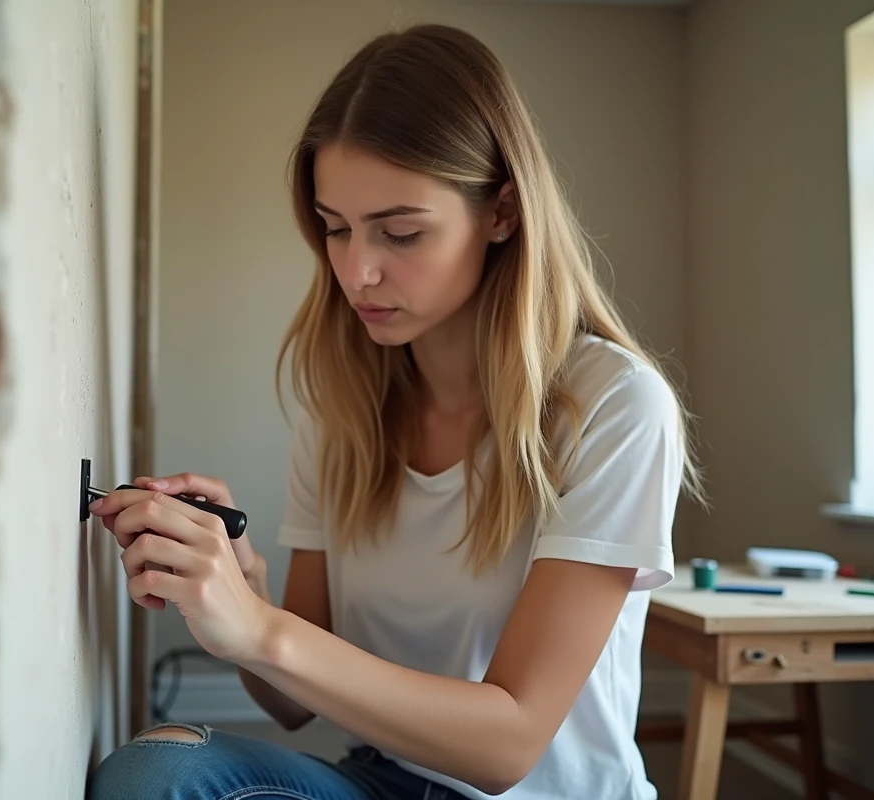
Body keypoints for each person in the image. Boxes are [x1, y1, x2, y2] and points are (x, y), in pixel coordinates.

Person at [86, 22, 704, 800]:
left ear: (503, 212)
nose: (357, 271)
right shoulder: (342, 407)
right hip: (384, 782)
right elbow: (290, 703)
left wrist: (263, 628)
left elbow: (508, 745)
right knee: (156, 773)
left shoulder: (614, 405)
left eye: (400, 233)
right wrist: (239, 586)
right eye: (335, 228)